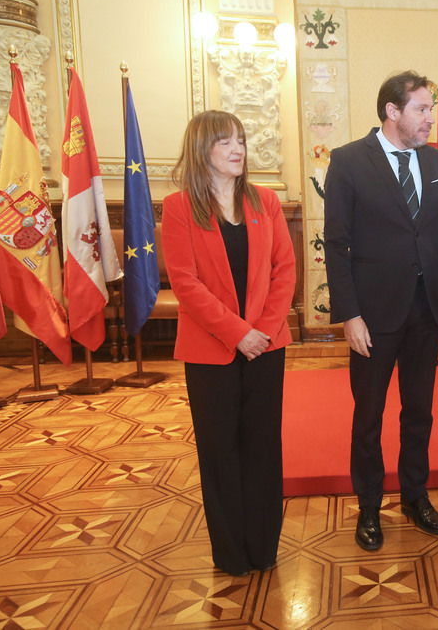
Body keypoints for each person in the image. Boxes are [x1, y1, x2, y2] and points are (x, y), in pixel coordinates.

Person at [324, 71, 438, 551]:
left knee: (419, 412)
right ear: (392, 111)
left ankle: (415, 496)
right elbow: (336, 245)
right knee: (369, 414)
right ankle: (368, 506)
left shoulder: (437, 161)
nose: (431, 118)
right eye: (423, 109)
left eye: (431, 109)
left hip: (427, 311)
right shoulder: (347, 162)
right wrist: (350, 315)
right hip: (373, 315)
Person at [161, 110, 296, 576]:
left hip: (267, 345)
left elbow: (284, 271)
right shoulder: (179, 207)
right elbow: (185, 283)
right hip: (209, 351)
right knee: (220, 453)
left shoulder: (265, 202)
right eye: (225, 142)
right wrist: (239, 334)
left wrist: (262, 330)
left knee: (263, 449)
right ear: (202, 150)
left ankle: (263, 548)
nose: (237, 148)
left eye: (240, 140)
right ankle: (231, 555)